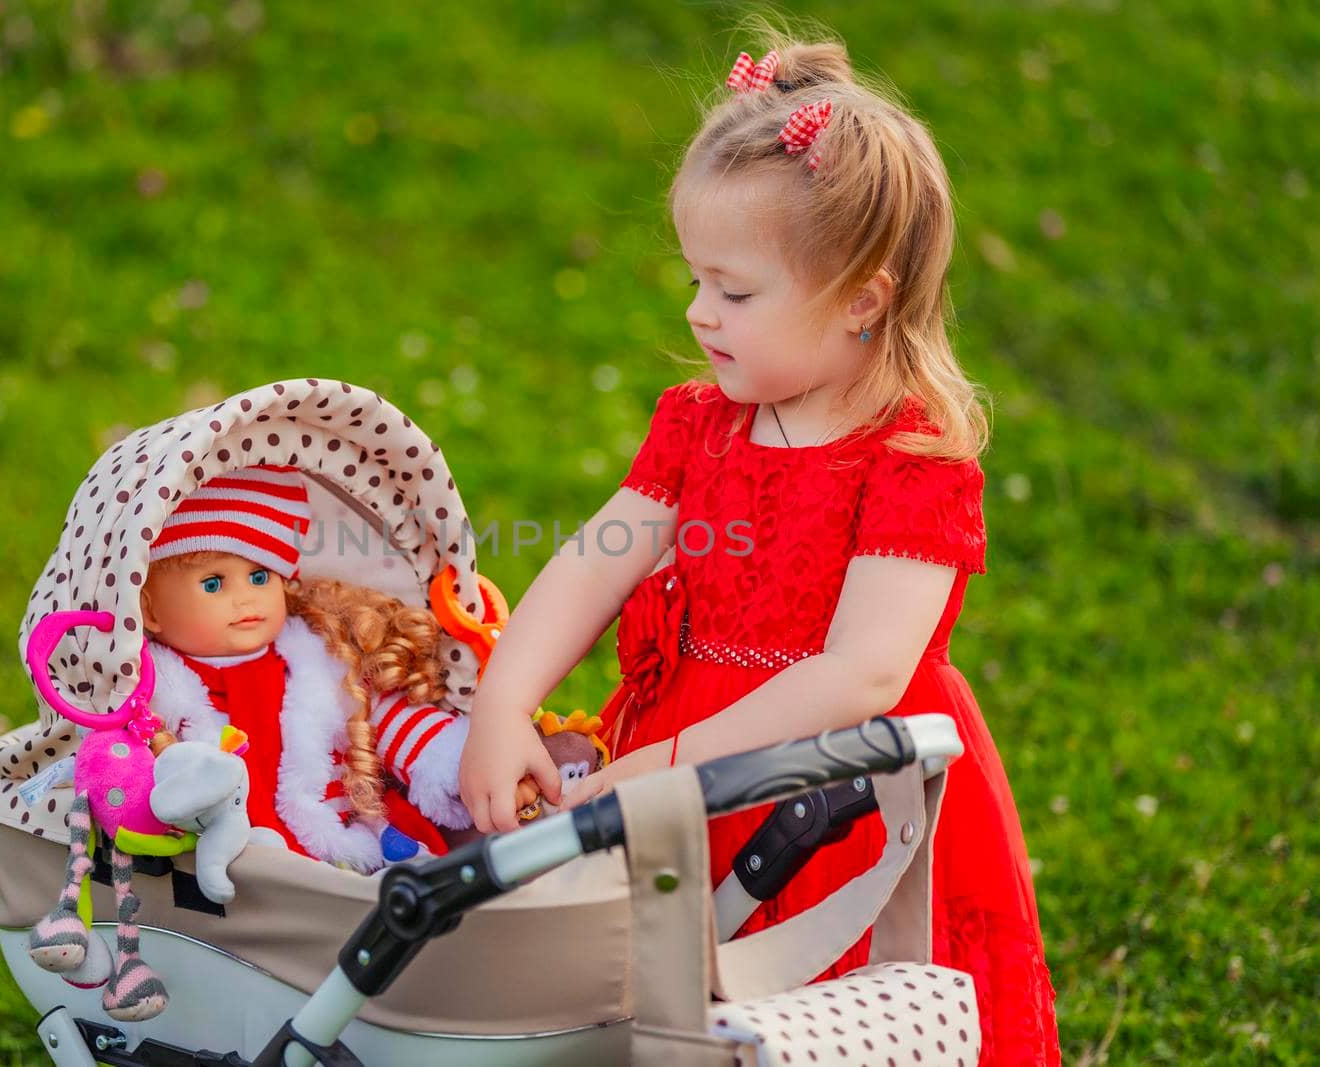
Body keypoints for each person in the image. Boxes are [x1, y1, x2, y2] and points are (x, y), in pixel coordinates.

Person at [458, 28, 1059, 1064]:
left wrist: (675, 766)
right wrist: (503, 696)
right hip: (681, 755)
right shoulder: (700, 425)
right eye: (696, 280)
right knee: (659, 1001)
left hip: (839, 797)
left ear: (863, 301)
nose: (697, 313)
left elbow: (860, 671)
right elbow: (597, 558)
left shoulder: (911, 460)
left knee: (822, 1007)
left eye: (733, 293)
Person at [141, 464, 471, 872]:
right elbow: (138, 759)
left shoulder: (318, 658)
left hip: (343, 827)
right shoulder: (157, 688)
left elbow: (379, 715)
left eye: (259, 576)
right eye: (214, 584)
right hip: (228, 848)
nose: (245, 599)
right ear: (150, 611)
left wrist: (444, 756)